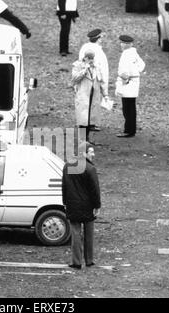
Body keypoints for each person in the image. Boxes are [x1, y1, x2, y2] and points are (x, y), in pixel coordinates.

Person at [62, 141, 101, 269]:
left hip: (73, 205)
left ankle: (76, 261)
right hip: (88, 206)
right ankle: (89, 260)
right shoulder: (90, 168)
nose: (93, 155)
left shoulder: (68, 166)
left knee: (76, 234)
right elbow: (95, 189)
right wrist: (97, 206)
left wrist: (65, 203)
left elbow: (64, 187)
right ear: (84, 153)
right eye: (91, 152)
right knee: (89, 234)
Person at [71, 50, 108, 143]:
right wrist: (84, 70)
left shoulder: (96, 66)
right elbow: (75, 79)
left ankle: (87, 138)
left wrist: (105, 94)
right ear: (85, 58)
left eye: (92, 58)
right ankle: (82, 139)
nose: (91, 60)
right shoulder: (77, 65)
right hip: (83, 94)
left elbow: (101, 80)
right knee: (83, 117)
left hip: (93, 94)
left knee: (90, 118)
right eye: (89, 58)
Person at [115, 35, 145, 138]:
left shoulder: (126, 54)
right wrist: (136, 70)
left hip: (127, 82)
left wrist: (125, 78)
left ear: (126, 44)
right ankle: (131, 129)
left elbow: (123, 70)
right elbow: (142, 65)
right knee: (131, 106)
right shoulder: (134, 52)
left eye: (122, 43)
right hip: (134, 81)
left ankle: (129, 130)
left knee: (127, 108)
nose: (121, 45)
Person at [79, 29, 109, 131]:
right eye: (101, 38)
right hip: (94, 78)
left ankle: (85, 123)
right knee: (93, 101)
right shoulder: (99, 51)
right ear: (98, 38)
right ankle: (88, 124)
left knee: (84, 101)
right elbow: (103, 69)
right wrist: (105, 88)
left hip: (83, 78)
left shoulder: (84, 47)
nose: (102, 40)